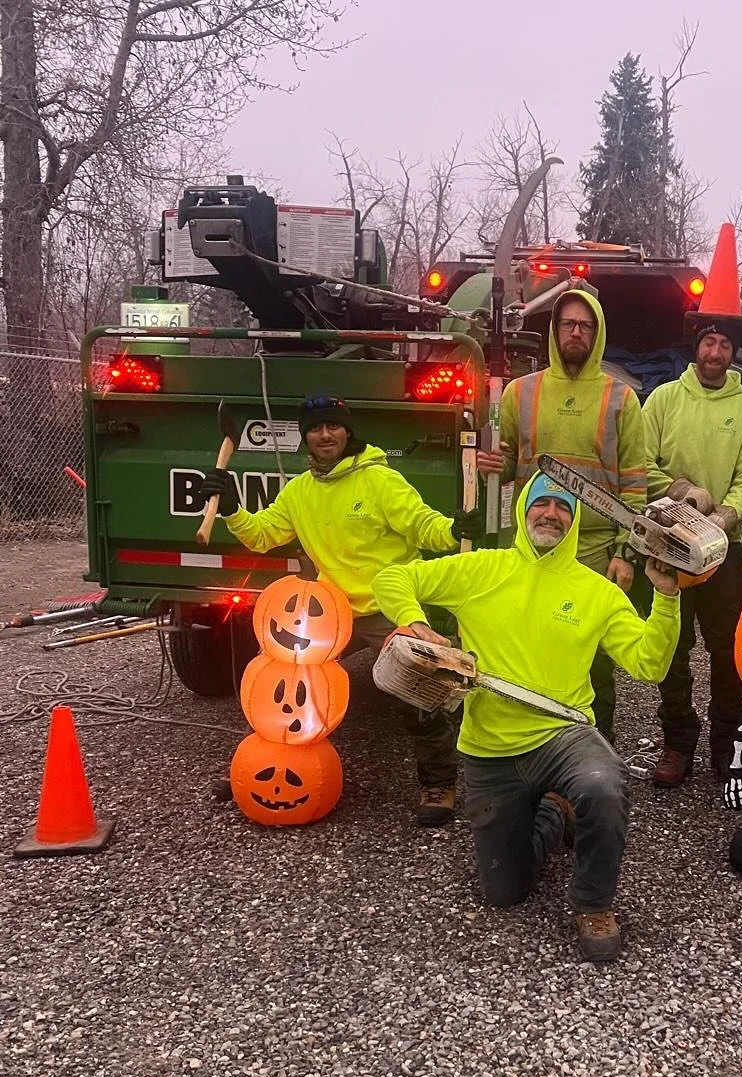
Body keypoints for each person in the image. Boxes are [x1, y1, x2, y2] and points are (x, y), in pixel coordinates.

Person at [373, 473, 680, 962]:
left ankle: (593, 903)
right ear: (522, 511)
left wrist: (665, 597)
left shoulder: (595, 591)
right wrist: (417, 625)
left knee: (604, 783)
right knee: (503, 893)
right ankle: (554, 815)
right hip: (490, 748)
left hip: (564, 734)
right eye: (541, 503)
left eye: (563, 507)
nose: (551, 513)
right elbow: (393, 576)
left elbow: (649, 663)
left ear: (575, 521)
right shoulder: (481, 569)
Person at [198, 392, 483, 828]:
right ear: (305, 437)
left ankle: (438, 784)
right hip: (330, 612)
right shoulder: (299, 492)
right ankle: (259, 767)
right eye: (315, 428)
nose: (325, 434)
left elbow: (423, 525)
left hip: (389, 607)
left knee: (417, 691)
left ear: (348, 431)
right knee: (281, 678)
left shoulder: (380, 482)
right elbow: (261, 535)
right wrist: (233, 509)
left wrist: (453, 528)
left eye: (333, 426)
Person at [475, 288, 646, 745]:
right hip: (534, 546)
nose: (577, 332)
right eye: (568, 324)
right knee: (529, 653)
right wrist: (495, 464)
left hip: (593, 553)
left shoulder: (621, 399)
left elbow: (634, 484)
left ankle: (595, 756)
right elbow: (509, 463)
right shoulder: (519, 393)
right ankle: (531, 749)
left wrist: (625, 552)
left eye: (586, 326)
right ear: (554, 331)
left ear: (598, 333)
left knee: (595, 663)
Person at [641, 321, 742, 787]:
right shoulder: (663, 400)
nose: (716, 352)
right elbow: (643, 462)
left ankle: (727, 746)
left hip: (723, 549)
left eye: (725, 345)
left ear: (734, 352)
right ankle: (677, 743)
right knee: (672, 648)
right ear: (697, 347)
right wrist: (682, 491)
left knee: (727, 650)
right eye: (709, 342)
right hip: (668, 542)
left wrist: (724, 518)